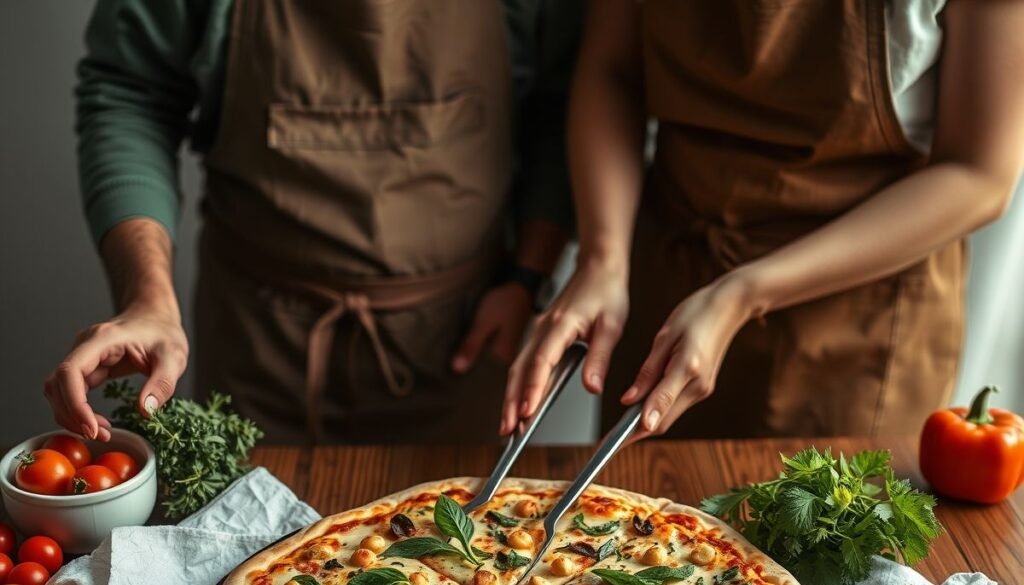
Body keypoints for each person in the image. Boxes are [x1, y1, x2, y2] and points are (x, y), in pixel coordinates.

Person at [47, 0, 582, 444]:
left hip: (463, 342)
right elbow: (130, 93)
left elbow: (560, 107)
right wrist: (148, 300)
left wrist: (527, 277)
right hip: (260, 345)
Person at [502, 0, 1024, 441]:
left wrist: (742, 293)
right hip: (670, 269)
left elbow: (981, 173)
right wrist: (603, 256)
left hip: (857, 319)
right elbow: (612, 70)